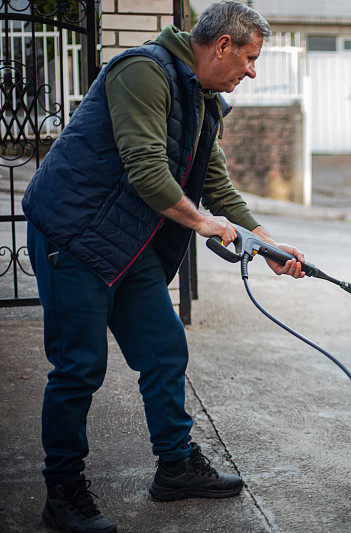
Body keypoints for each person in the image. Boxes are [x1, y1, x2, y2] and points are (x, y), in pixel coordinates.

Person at [21, 3, 300, 532]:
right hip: (74, 236)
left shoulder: (203, 99)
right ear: (221, 46)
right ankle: (63, 492)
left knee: (165, 349)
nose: (252, 70)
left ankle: (175, 467)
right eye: (249, 57)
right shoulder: (142, 72)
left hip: (127, 244)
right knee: (79, 367)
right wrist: (204, 226)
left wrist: (267, 244)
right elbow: (147, 169)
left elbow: (214, 183)